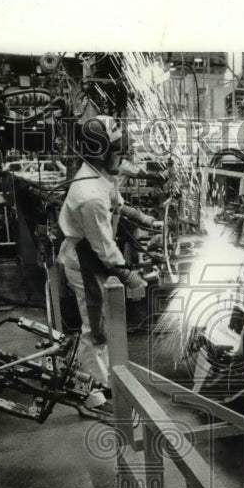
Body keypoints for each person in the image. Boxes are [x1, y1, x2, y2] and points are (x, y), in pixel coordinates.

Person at [58, 114, 162, 413]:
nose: (122, 156)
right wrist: (130, 276)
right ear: (101, 151)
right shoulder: (88, 195)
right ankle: (94, 394)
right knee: (95, 329)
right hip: (85, 262)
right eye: (118, 150)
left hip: (93, 257)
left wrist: (145, 219)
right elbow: (104, 248)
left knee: (101, 323)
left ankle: (104, 379)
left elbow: (117, 201)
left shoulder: (100, 172)